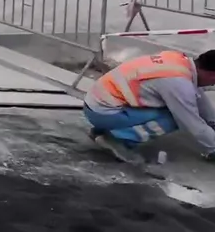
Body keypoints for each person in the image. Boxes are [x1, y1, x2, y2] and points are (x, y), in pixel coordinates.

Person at [84, 49, 215, 165]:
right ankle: (118, 139)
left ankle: (104, 130)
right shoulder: (178, 83)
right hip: (103, 113)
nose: (213, 84)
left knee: (180, 107)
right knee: (175, 117)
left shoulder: (179, 60)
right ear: (212, 75)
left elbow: (196, 95)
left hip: (97, 104)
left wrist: (212, 122)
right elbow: (191, 122)